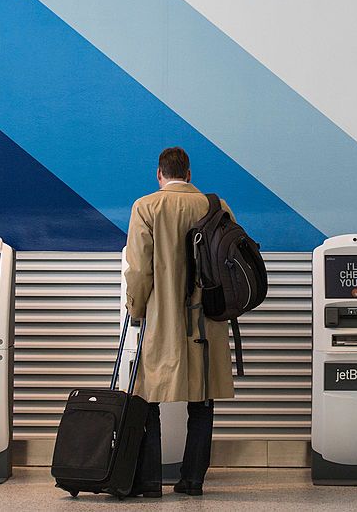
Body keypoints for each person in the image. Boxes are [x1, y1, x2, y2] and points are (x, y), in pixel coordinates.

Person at [124, 146, 236, 497]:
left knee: (148, 396)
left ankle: (149, 481)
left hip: (162, 317)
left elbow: (140, 270)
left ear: (159, 174)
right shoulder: (216, 206)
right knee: (202, 401)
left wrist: (136, 309)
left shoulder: (146, 207)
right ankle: (192, 481)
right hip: (208, 319)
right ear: (189, 175)